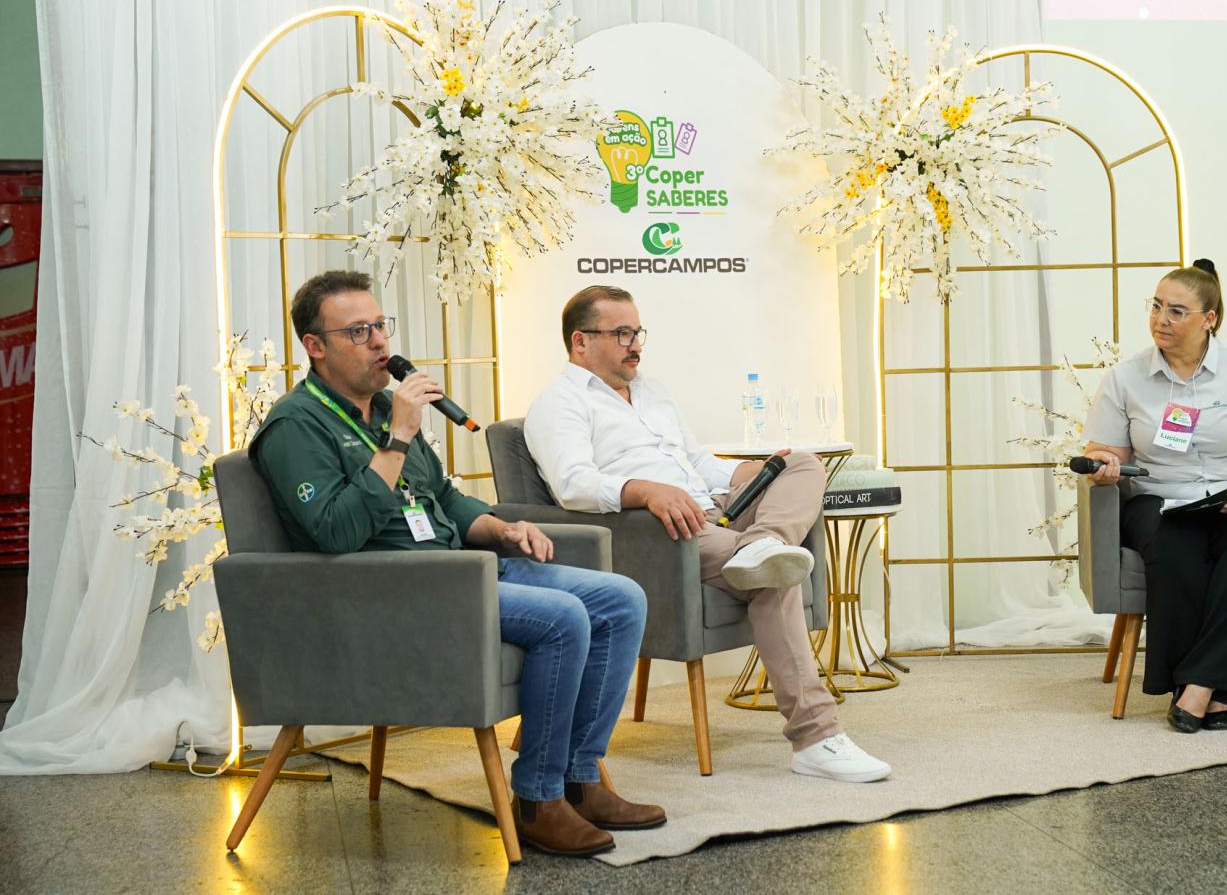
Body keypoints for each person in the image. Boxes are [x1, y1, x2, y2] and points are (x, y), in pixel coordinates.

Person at [250, 270, 665, 857]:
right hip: (395, 592)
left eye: (381, 326)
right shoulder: (296, 426)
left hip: (459, 568)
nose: (379, 343)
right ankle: (538, 799)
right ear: (315, 346)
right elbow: (335, 531)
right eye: (358, 331)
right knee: (563, 617)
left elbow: (439, 497)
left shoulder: (387, 407)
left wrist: (501, 528)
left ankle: (580, 776)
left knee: (622, 599)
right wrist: (396, 441)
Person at [524, 285, 891, 782]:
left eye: (638, 332)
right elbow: (573, 486)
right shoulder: (559, 404)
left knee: (801, 463)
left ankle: (765, 542)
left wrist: (752, 474)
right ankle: (816, 738)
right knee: (773, 577)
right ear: (580, 341)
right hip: (657, 534)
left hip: (714, 509)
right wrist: (645, 491)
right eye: (622, 333)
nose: (636, 344)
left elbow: (696, 462)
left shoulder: (651, 391)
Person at [1082, 259, 1227, 732]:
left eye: (1177, 311)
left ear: (1210, 318)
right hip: (1160, 498)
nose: (1161, 319)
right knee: (1175, 549)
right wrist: (1103, 466)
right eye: (1157, 306)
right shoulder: (1126, 378)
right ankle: (1215, 690)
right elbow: (1104, 450)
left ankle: (1197, 685)